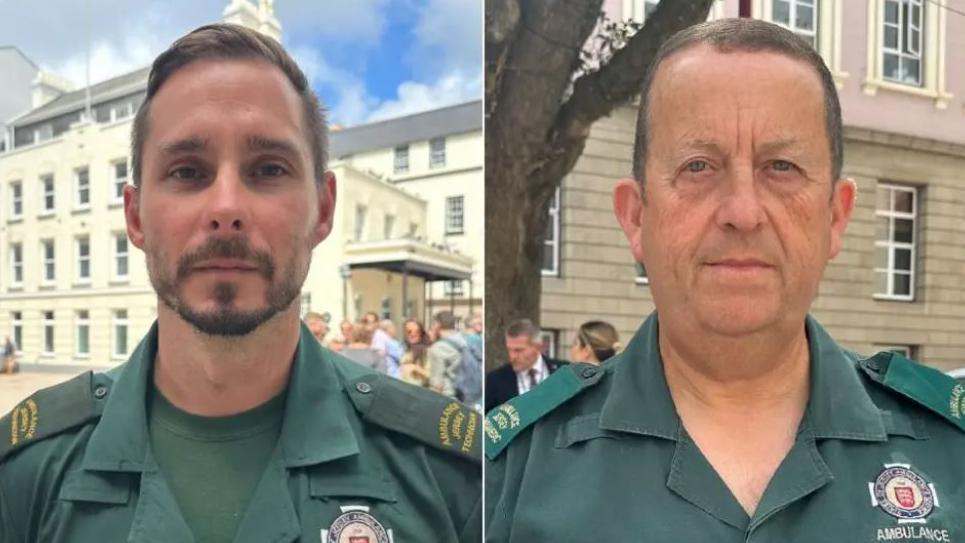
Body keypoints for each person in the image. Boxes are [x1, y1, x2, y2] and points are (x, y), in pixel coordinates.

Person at [485, 19, 965, 541]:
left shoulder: (950, 448)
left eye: (781, 167)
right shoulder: (506, 473)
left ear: (835, 217)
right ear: (636, 218)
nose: (742, 211)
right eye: (698, 167)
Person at [0, 24, 479, 543]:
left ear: (323, 209)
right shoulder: (26, 472)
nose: (226, 208)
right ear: (136, 218)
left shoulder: (452, 475)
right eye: (187, 171)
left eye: (268, 168)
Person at [484, 319, 566, 413]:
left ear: (538, 347)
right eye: (509, 350)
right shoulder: (496, 379)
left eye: (518, 350)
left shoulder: (562, 371)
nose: (512, 356)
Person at [428, 310, 466, 398]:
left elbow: (437, 384)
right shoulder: (466, 341)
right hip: (469, 397)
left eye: (433, 325)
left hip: (449, 398)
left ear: (438, 325)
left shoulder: (439, 347)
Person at [400, 319, 432, 387]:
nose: (413, 334)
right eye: (409, 331)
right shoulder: (406, 350)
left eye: (417, 331)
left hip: (420, 391)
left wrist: (415, 368)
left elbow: (432, 376)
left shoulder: (427, 351)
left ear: (421, 333)